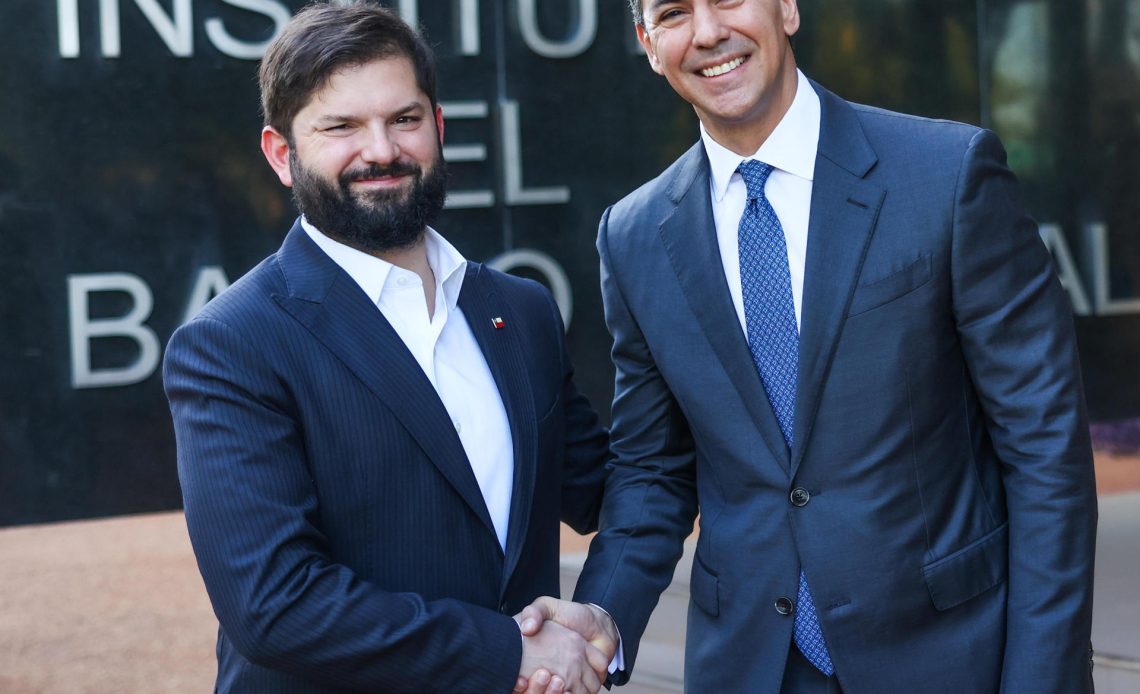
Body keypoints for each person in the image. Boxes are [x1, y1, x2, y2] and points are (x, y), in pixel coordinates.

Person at [517, 0, 1098, 691]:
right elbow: (652, 471)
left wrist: (1042, 680)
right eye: (672, 12)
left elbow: (1045, 452)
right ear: (647, 42)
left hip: (953, 657)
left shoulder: (948, 175)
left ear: (787, 7)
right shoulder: (634, 235)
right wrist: (603, 614)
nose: (707, 33)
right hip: (751, 668)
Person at [163, 3, 615, 692]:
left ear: (438, 128)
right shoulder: (231, 345)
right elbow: (276, 604)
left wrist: (600, 614)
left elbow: (611, 489)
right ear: (282, 154)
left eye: (403, 119)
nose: (380, 151)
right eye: (340, 126)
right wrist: (508, 651)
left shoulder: (519, 311)